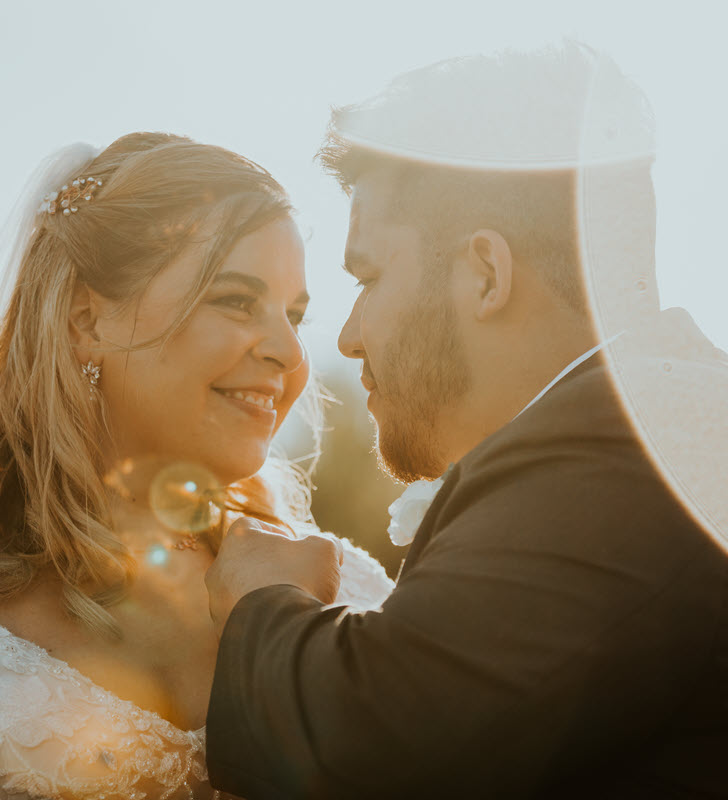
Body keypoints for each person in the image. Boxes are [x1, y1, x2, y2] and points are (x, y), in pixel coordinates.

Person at [203, 43, 728, 797]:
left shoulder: (643, 448)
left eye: (369, 276)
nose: (348, 336)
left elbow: (368, 748)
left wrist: (261, 598)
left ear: (486, 273)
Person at [0, 133, 391, 799]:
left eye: (294, 316)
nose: (290, 354)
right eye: (235, 300)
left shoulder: (345, 590)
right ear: (87, 320)